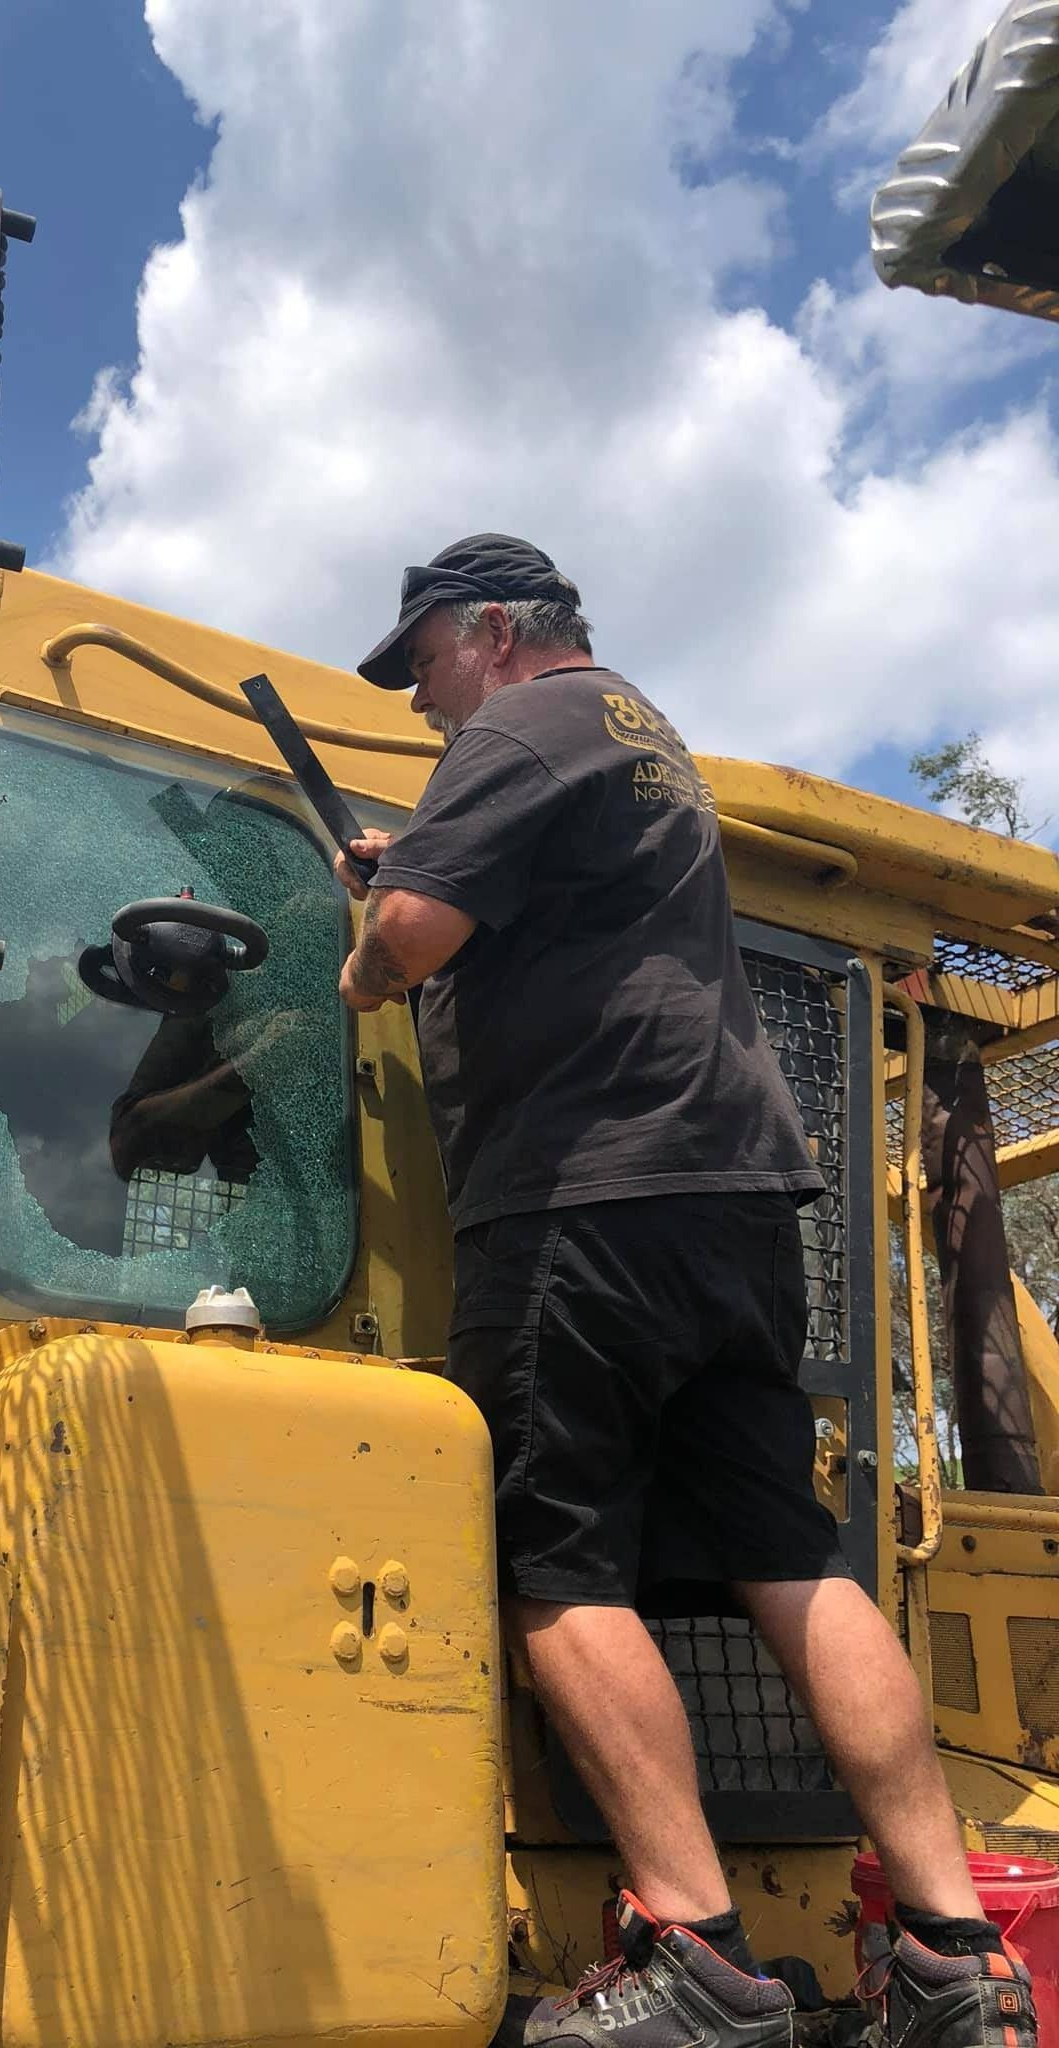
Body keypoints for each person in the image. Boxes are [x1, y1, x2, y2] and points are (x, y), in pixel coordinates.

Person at [333, 534, 1038, 2048]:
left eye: (426, 664)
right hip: (741, 1205)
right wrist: (434, 867)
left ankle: (696, 1955)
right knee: (795, 1557)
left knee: (551, 1564)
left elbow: (407, 945)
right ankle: (955, 1956)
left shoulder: (517, 726)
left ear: (496, 630)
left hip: (586, 1194)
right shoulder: (642, 738)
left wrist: (370, 938)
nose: (422, 702)